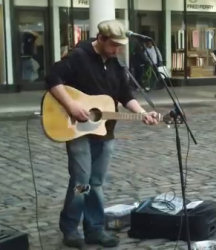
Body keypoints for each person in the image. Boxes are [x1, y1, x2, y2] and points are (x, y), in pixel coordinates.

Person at [45, 19, 159, 248]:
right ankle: (70, 228)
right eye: (113, 45)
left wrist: (142, 113)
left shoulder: (116, 64)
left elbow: (126, 95)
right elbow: (52, 79)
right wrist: (71, 106)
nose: (117, 50)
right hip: (76, 129)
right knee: (81, 181)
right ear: (101, 38)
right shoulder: (79, 56)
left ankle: (94, 229)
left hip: (104, 130)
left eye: (120, 46)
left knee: (96, 182)